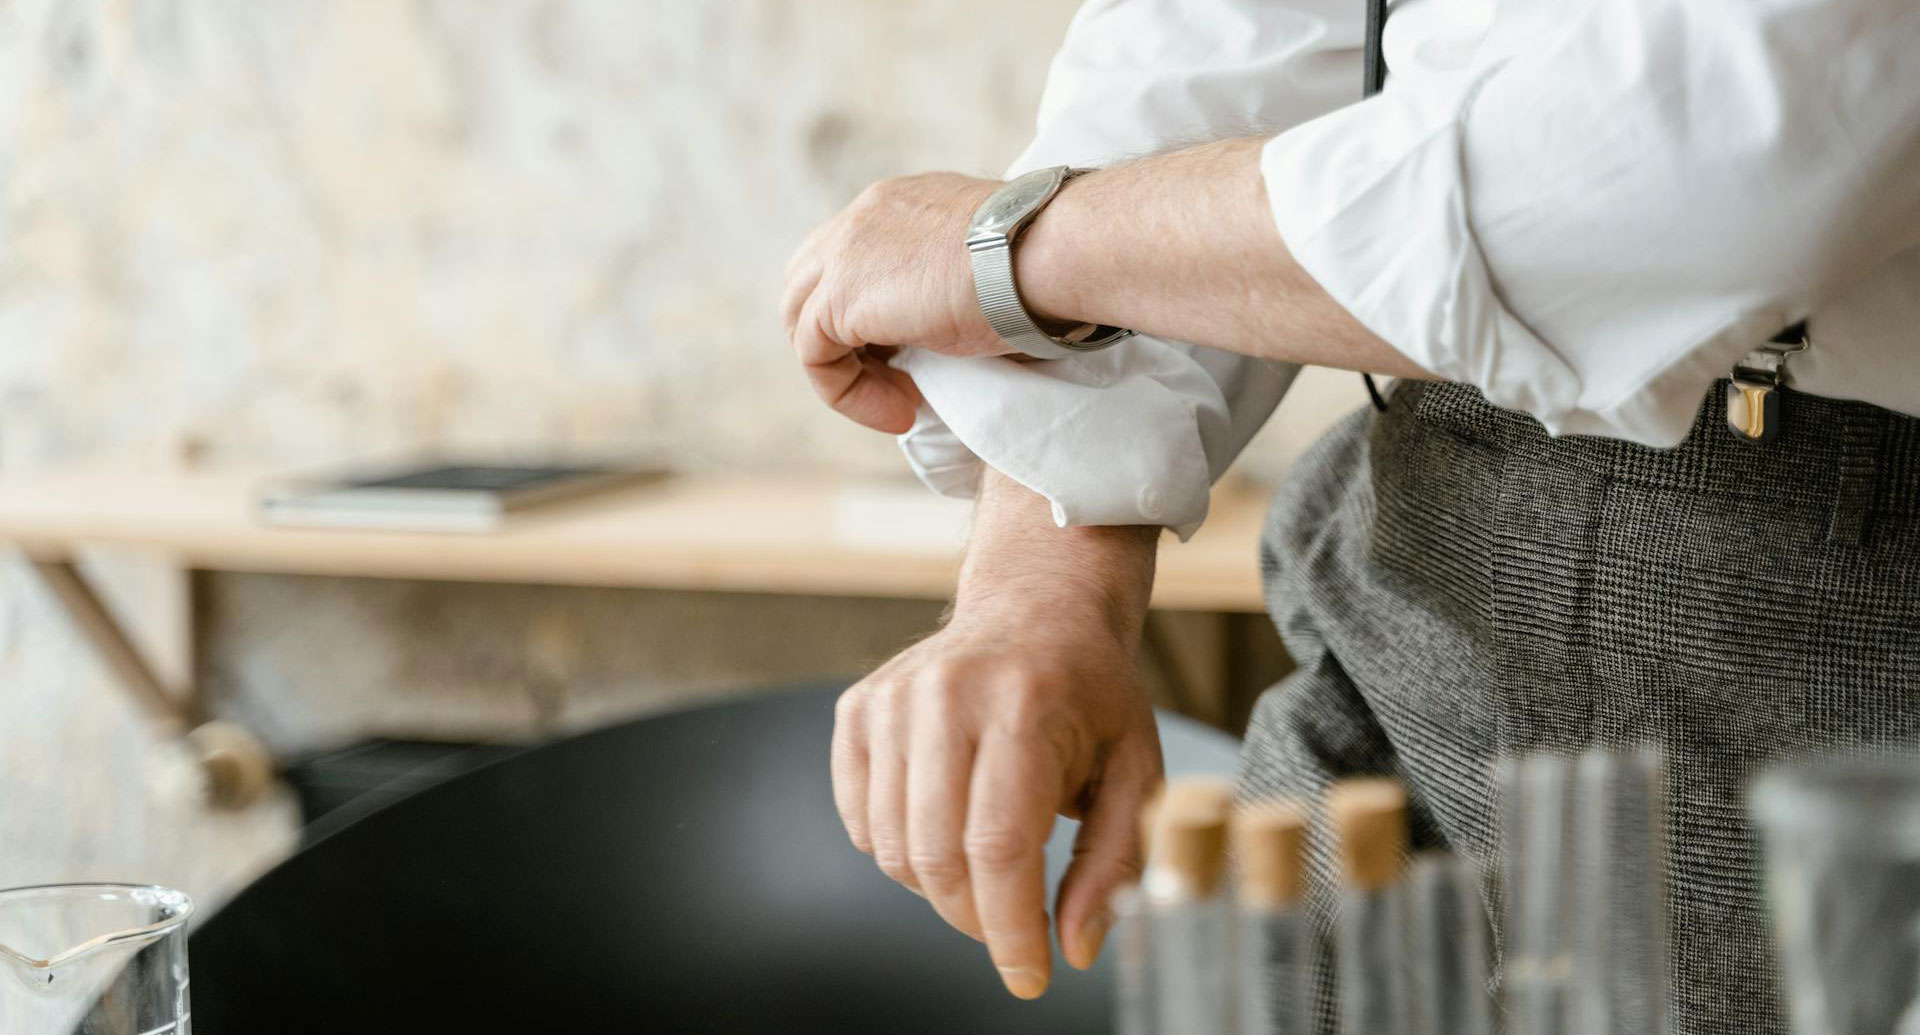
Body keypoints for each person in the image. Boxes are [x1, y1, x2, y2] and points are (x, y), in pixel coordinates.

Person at [780, 0, 1920, 1031]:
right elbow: (1216, 47)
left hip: (1862, 677)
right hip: (1403, 657)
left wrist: (1021, 250)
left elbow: (1702, 160)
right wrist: (1042, 588)